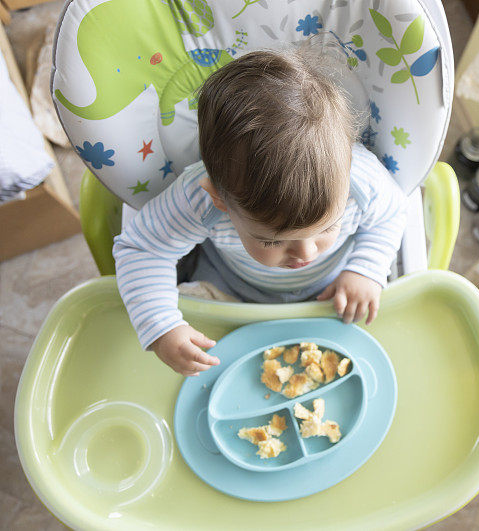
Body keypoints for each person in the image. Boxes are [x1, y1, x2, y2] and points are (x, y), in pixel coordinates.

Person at [113, 48, 406, 376]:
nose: (306, 253)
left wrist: (365, 270)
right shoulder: (199, 197)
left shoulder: (359, 180)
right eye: (271, 241)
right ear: (220, 200)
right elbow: (142, 249)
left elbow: (392, 214)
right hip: (231, 291)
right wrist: (163, 327)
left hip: (332, 294)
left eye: (327, 228)